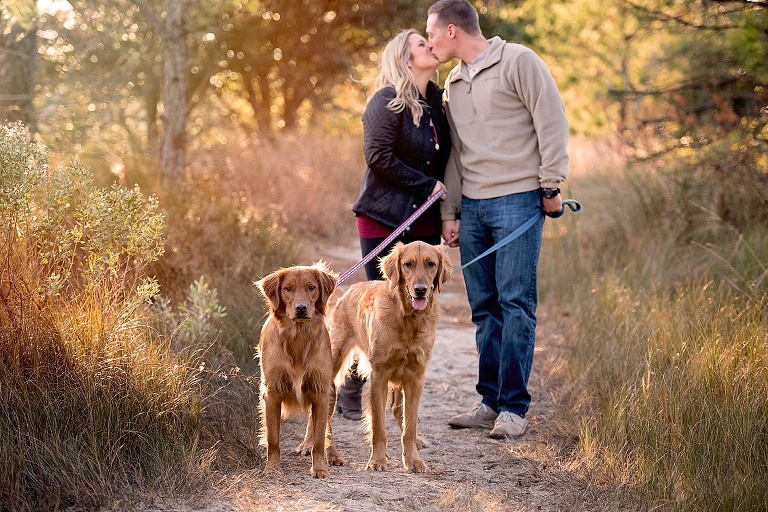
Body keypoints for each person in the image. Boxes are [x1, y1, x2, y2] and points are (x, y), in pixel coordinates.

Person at [425, 0, 569, 438]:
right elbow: (457, 153)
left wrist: (551, 185)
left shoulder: (519, 61)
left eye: (431, 33)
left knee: (515, 303)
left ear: (452, 30)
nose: (429, 42)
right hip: (474, 207)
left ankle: (513, 408)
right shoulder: (453, 82)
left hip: (518, 200)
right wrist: (450, 211)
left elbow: (551, 121)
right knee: (485, 308)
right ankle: (489, 402)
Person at [335, 28, 452, 420]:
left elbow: (444, 162)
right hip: (383, 217)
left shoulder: (436, 105)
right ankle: (353, 388)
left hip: (424, 220)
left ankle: (401, 413)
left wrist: (447, 213)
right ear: (404, 58)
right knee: (381, 309)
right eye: (421, 43)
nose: (430, 45)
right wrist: (425, 184)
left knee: (416, 313)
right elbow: (378, 156)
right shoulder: (386, 100)